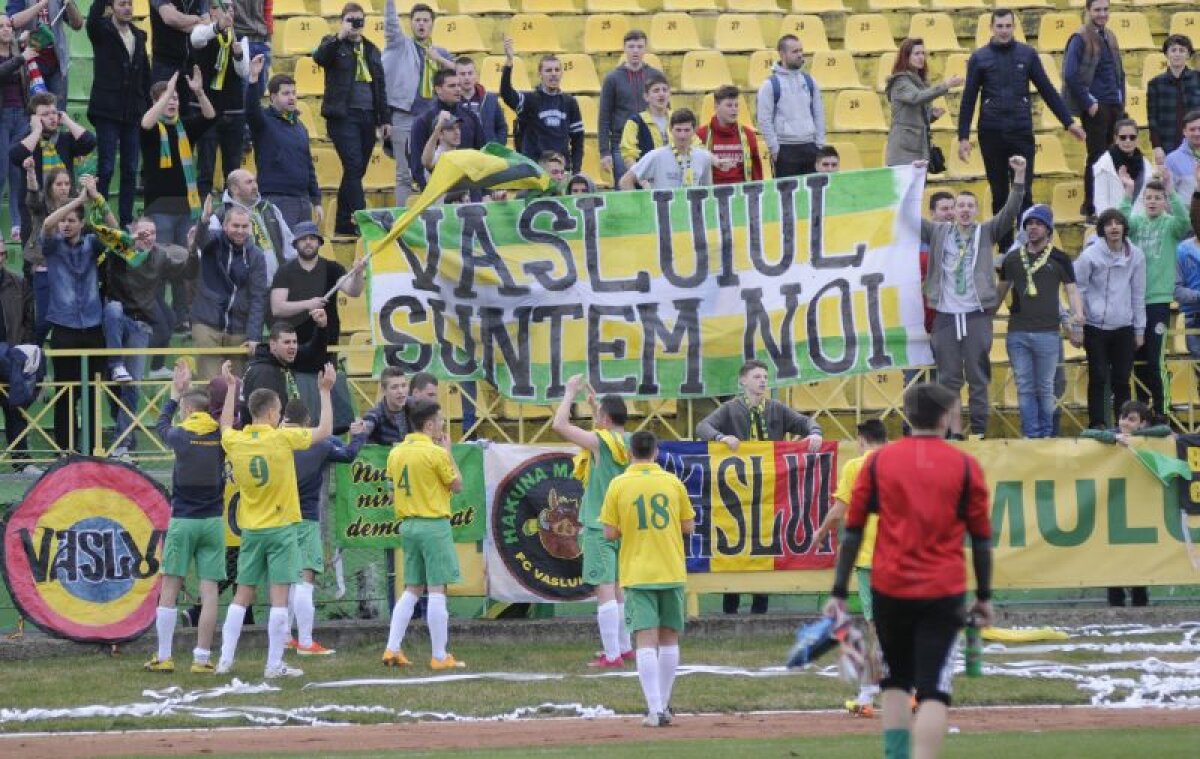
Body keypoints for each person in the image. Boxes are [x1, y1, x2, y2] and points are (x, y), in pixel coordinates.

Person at [826, 382, 993, 759]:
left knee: (896, 684)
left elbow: (852, 532)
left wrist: (838, 590)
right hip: (943, 589)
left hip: (891, 585)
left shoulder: (880, 462)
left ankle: (896, 755)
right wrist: (983, 597)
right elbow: (981, 540)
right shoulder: (965, 465)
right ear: (946, 417)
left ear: (907, 415)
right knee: (934, 691)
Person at [216, 360, 336, 677]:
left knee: (242, 595)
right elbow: (324, 431)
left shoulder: (236, 441)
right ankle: (273, 665)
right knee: (279, 599)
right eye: (279, 411)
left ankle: (225, 660)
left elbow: (225, 426)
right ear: (271, 414)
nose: (281, 416)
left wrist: (231, 389)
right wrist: (325, 392)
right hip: (282, 529)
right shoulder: (282, 438)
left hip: (251, 529)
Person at [696, 359, 822, 615]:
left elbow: (806, 422)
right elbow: (702, 427)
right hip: (736, 490)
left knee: (766, 543)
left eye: (765, 376)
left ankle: (760, 609)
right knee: (735, 543)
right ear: (743, 381)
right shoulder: (730, 409)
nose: (763, 381)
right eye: (757, 377)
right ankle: (729, 609)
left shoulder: (776, 408)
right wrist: (721, 437)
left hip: (768, 490)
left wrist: (816, 432)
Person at [958, 8, 1084, 248]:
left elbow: (1047, 90)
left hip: (1021, 131)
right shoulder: (979, 57)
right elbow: (968, 98)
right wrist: (963, 136)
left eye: (1008, 26)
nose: (1004, 31)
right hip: (991, 132)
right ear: (991, 28)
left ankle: (1027, 245)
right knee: (999, 193)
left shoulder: (1027, 54)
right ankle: (1005, 249)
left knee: (1024, 191)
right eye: (1000, 26)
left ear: (1014, 27)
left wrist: (1068, 122)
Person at [921, 155, 1027, 438]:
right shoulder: (938, 232)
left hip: (976, 314)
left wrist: (1018, 176)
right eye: (960, 206)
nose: (965, 210)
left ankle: (979, 431)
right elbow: (907, 216)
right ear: (953, 211)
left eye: (970, 206)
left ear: (977, 210)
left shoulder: (985, 232)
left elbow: (1010, 211)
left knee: (978, 377)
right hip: (945, 315)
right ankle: (954, 433)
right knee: (948, 379)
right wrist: (915, 179)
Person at [599, 430, 694, 728]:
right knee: (669, 638)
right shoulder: (672, 482)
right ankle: (662, 704)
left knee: (645, 639)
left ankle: (654, 708)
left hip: (638, 572)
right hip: (671, 569)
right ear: (656, 452)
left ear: (630, 453)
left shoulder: (618, 484)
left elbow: (609, 532)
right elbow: (688, 526)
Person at [144, 359, 231, 674]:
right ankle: (202, 658)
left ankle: (164, 656)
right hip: (212, 523)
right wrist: (229, 386)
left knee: (169, 587)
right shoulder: (220, 437)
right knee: (209, 593)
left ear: (188, 412)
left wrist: (173, 392)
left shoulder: (180, 436)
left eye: (182, 410)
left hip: (182, 520)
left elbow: (160, 423)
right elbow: (229, 422)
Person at [552, 373, 633, 668]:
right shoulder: (631, 440)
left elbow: (559, 425)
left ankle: (612, 655)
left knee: (604, 589)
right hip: (624, 525)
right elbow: (609, 434)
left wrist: (569, 392)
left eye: (599, 415)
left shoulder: (601, 441)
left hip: (600, 524)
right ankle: (624, 648)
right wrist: (595, 406)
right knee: (621, 589)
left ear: (607, 419)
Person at [812, 419, 888, 717]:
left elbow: (839, 509)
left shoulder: (856, 467)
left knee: (878, 630)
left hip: (871, 559)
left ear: (861, 440)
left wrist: (820, 533)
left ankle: (868, 696)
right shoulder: (902, 463)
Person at [382, 398, 465, 670]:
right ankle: (440, 655)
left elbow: (392, 492)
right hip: (432, 524)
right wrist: (449, 452)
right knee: (437, 587)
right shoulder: (436, 453)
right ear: (429, 425)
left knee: (413, 587)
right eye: (440, 420)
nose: (442, 424)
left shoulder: (396, 453)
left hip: (408, 524)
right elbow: (457, 485)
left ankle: (392, 648)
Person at [281, 399, 367, 656]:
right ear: (308, 422)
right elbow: (348, 454)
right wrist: (358, 436)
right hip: (306, 518)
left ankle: (285, 636)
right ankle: (306, 641)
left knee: (286, 580)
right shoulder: (318, 444)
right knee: (305, 580)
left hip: (277, 518)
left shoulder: (274, 439)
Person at [104, 215, 191, 455]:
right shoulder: (123, 248)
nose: (148, 237)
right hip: (115, 323)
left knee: (131, 387)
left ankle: (123, 443)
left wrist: (193, 248)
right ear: (133, 232)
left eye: (152, 233)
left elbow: (184, 272)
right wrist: (129, 238)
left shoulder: (160, 255)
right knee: (113, 309)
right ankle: (116, 363)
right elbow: (109, 243)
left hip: (140, 325)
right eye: (143, 232)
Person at [997, 205, 1083, 439]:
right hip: (1017, 333)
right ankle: (1030, 435)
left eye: (1039, 224)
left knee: (1045, 388)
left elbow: (1072, 291)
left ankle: (1046, 434)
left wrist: (1077, 319)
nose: (1033, 228)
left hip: (1048, 333)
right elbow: (1000, 292)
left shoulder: (1060, 258)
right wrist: (985, 319)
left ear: (1048, 228)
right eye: (1029, 224)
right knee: (1024, 388)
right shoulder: (1013, 259)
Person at [270, 220, 363, 430]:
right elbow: (277, 307)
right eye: (304, 239)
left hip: (326, 345)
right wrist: (308, 304)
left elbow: (354, 291)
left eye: (312, 238)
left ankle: (330, 434)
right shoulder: (285, 271)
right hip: (295, 347)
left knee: (326, 396)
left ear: (319, 242)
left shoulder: (333, 268)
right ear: (295, 244)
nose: (308, 243)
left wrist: (357, 273)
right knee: (299, 400)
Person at [1081, 399, 1170, 607]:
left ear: (1143, 423)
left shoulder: (1148, 434)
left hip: (1139, 504)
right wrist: (1113, 438)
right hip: (1112, 504)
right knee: (1113, 555)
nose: (1125, 423)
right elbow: (1086, 434)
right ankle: (1116, 603)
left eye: (1132, 419)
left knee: (1137, 554)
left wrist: (1135, 437)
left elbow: (1165, 429)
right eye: (1123, 418)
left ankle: (1141, 602)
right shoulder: (1114, 433)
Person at [1119, 169, 1192, 418]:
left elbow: (1186, 222)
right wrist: (1128, 193)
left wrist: (1170, 189)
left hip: (1158, 302)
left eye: (1157, 198)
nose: (1152, 201)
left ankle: (1162, 410)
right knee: (1137, 360)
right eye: (1148, 197)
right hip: (1133, 302)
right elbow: (1120, 225)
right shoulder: (1137, 224)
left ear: (1164, 202)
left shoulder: (1170, 225)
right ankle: (1140, 414)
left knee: (1154, 358)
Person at [313, 2, 387, 237]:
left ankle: (343, 222)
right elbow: (319, 58)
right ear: (342, 21)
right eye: (351, 20)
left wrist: (385, 119)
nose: (356, 25)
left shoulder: (372, 49)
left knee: (356, 170)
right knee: (354, 165)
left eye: (359, 20)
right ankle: (361, 219)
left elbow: (380, 87)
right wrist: (340, 35)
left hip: (368, 116)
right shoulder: (333, 44)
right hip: (343, 116)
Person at [40, 188, 103, 451]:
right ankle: (65, 450)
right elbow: (46, 224)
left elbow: (118, 236)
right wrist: (78, 200)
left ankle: (91, 448)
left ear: (82, 224)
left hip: (93, 327)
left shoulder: (92, 244)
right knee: (66, 392)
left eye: (72, 220)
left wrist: (98, 199)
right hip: (63, 327)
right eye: (63, 220)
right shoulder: (52, 245)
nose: (65, 225)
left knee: (92, 392)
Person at [1075, 207, 1146, 429]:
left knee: (1122, 380)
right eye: (1108, 223)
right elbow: (1079, 289)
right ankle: (1097, 424)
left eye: (1118, 223)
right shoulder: (1089, 256)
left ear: (1124, 227)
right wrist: (1079, 322)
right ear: (1102, 230)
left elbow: (1138, 293)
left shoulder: (1136, 255)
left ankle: (1124, 424)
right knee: (1097, 377)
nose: (1114, 227)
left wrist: (1139, 329)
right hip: (1095, 327)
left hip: (1124, 326)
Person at [86, 0, 150, 228]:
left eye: (130, 4)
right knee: (106, 167)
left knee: (131, 169)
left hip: (133, 112)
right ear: (112, 7)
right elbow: (92, 18)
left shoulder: (140, 36)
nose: (128, 8)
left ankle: (125, 221)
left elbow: (145, 75)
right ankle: (98, 219)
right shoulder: (101, 30)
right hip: (107, 110)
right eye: (122, 4)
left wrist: (148, 107)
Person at [382, 0, 452, 206]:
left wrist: (439, 59)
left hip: (432, 120)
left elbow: (462, 72)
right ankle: (402, 222)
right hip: (404, 116)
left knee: (434, 170)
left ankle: (433, 217)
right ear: (410, 24)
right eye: (417, 20)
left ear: (432, 24)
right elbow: (391, 27)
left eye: (426, 20)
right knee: (404, 174)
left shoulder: (441, 52)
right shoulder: (401, 45)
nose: (422, 24)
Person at [190, 199, 268, 380]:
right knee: (213, 382)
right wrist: (204, 219)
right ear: (225, 226)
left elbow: (258, 297)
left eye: (244, 226)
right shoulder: (213, 243)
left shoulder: (256, 255)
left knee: (237, 384)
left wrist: (254, 335)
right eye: (235, 226)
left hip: (239, 326)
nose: (240, 231)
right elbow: (201, 239)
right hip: (206, 322)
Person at [1064, 0, 1126, 221]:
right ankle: (1091, 207)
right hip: (1096, 108)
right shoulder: (1079, 37)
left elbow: (1120, 72)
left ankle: (1110, 205)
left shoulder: (1110, 35)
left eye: (1106, 9)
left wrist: (1121, 101)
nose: (1102, 14)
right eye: (1097, 10)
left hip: (1114, 106)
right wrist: (1089, 102)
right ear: (1088, 11)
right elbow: (1070, 74)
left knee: (1114, 156)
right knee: (1097, 158)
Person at [140, 68, 215, 250]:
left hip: (186, 206)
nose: (172, 102)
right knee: (162, 258)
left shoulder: (185, 127)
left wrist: (199, 92)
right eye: (167, 98)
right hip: (159, 206)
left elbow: (210, 116)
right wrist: (167, 93)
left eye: (175, 98)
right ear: (155, 103)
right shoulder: (152, 128)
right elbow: (145, 124)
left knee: (185, 259)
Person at [245, 56, 321, 230]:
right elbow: (251, 110)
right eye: (286, 93)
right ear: (272, 97)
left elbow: (308, 165)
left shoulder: (300, 126)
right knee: (280, 254)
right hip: (275, 198)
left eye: (294, 93)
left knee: (300, 252)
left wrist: (316, 200)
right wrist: (253, 80)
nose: (292, 97)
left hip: (302, 200)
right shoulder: (263, 121)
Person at [10, 91, 95, 241]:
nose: (52, 117)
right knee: (33, 260)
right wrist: (37, 130)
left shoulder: (64, 140)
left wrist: (67, 121)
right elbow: (16, 156)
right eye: (45, 114)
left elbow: (89, 142)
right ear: (33, 118)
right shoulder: (27, 139)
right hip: (35, 210)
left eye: (54, 112)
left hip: (65, 207)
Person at [500, 36, 584, 173]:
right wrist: (509, 62)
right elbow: (506, 94)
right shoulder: (530, 100)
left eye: (557, 70)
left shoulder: (570, 102)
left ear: (562, 73)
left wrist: (575, 170)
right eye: (548, 70)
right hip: (536, 170)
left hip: (561, 171)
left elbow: (578, 140)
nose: (553, 74)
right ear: (540, 74)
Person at [189, 3, 247, 199]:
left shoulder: (239, 36)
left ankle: (233, 212)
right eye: (223, 8)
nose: (229, 12)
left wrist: (238, 55)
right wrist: (217, 27)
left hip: (233, 109)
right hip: (207, 108)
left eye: (231, 9)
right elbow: (196, 40)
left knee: (233, 169)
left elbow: (243, 72)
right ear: (213, 12)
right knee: (205, 167)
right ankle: (203, 217)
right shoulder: (203, 30)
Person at [885, 37, 963, 167]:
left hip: (918, 147)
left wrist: (932, 116)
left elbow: (914, 113)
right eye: (916, 54)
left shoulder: (918, 81)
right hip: (903, 151)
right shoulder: (900, 81)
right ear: (906, 57)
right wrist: (946, 85)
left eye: (923, 53)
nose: (921, 57)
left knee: (919, 186)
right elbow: (916, 98)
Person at [598, 29, 662, 182]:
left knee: (654, 191)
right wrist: (604, 152)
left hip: (651, 141)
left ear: (645, 49)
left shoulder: (655, 76)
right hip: (621, 144)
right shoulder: (612, 78)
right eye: (631, 46)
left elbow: (665, 109)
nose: (635, 51)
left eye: (639, 47)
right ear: (624, 48)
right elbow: (604, 117)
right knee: (625, 192)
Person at [755, 34, 824, 178]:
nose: (800, 55)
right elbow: (764, 120)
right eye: (795, 51)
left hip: (810, 147)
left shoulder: (810, 81)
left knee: (811, 197)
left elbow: (819, 114)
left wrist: (819, 145)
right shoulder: (769, 85)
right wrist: (775, 150)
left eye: (801, 50)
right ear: (782, 54)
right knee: (786, 198)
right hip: (785, 149)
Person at [213, 167, 294, 282]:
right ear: (235, 189)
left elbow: (289, 247)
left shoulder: (270, 209)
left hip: (276, 287)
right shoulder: (219, 216)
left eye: (255, 181)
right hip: (242, 291)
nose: (255, 186)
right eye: (249, 182)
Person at [409, 68, 484, 191]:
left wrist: (486, 191)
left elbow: (481, 155)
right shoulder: (423, 121)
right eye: (452, 86)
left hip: (471, 191)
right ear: (438, 89)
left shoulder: (471, 117)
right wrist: (431, 192)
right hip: (439, 192)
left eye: (459, 85)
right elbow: (418, 166)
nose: (458, 89)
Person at [240, 320, 328, 423]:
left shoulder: (279, 361)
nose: (292, 346)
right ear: (273, 345)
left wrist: (321, 327)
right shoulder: (265, 373)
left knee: (330, 439)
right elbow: (266, 421)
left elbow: (313, 354)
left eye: (294, 342)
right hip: (269, 436)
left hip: (284, 431)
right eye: (287, 342)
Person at [19, 159, 68, 344]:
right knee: (44, 321)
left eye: (67, 184)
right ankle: (31, 353)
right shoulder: (43, 204)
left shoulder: (74, 205)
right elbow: (32, 197)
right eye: (59, 184)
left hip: (67, 270)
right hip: (43, 269)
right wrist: (31, 172)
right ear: (50, 186)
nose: (64, 188)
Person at [0, 241, 36, 474]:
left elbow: (29, 321)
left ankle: (21, 462)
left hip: (10, 355)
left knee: (16, 405)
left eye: (2, 252)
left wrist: (22, 347)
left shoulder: (18, 282)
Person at [7, 0, 83, 107]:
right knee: (34, 111)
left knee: (57, 112)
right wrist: (41, 4)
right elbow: (12, 22)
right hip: (30, 63)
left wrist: (70, 4)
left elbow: (77, 25)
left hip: (57, 63)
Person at [619, 108, 712, 191]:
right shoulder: (656, 156)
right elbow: (625, 182)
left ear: (694, 130)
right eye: (678, 130)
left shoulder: (703, 157)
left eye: (687, 130)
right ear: (671, 129)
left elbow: (709, 190)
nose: (682, 135)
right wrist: (640, 208)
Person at [1147, 35, 1200, 164]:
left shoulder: (1198, 78)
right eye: (1173, 50)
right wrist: (1157, 147)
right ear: (1166, 54)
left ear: (1188, 55)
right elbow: (1152, 119)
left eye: (1182, 50)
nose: (1177, 54)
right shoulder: (1155, 83)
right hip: (1167, 142)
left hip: (1196, 140)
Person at [0, 17, 30, 241]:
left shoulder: (18, 52)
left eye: (8, 25)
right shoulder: (18, 57)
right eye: (0, 26)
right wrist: (21, 58)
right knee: (1, 172)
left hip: (21, 114)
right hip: (2, 117)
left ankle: (17, 224)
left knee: (16, 171)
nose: (6, 29)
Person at [696, 84, 763, 185]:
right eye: (729, 105)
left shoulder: (748, 135)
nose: (734, 109)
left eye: (736, 105)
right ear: (716, 106)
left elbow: (756, 172)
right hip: (712, 194)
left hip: (741, 194)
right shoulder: (701, 135)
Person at [1093, 119, 1155, 216]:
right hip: (1114, 224)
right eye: (1123, 137)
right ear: (1116, 138)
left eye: (1132, 137)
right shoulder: (1104, 165)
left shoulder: (1146, 165)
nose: (1128, 141)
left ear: (1137, 139)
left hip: (1140, 225)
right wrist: (1110, 225)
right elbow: (1100, 201)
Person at [148, 0, 206, 103]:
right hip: (165, 63)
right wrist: (196, 19)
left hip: (192, 64)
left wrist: (179, 20)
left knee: (189, 113)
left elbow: (207, 22)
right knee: (162, 109)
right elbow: (170, 18)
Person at [618, 74, 671, 172]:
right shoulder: (635, 122)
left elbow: (695, 146)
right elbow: (629, 155)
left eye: (665, 90)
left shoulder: (678, 119)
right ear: (646, 96)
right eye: (656, 90)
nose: (661, 94)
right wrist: (641, 179)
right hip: (646, 179)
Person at [455, 56, 506, 146]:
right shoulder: (451, 102)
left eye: (470, 73)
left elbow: (501, 127)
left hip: (488, 155)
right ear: (455, 76)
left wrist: (498, 148)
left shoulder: (490, 99)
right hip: (462, 156)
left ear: (476, 75)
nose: (467, 77)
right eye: (462, 74)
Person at [231, 0, 271, 102]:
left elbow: (268, 8)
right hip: (240, 38)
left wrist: (269, 35)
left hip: (261, 39)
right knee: (246, 86)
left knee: (261, 86)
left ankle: (253, 113)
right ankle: (247, 115)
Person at [362, 366, 409, 444]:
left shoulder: (414, 407)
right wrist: (359, 431)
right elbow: (362, 434)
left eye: (403, 386)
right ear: (383, 390)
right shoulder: (375, 414)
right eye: (394, 387)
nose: (400, 391)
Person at [1164, 110, 1200, 200]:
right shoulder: (1172, 160)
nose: (1197, 133)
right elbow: (1168, 196)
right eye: (1192, 129)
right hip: (1185, 213)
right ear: (1184, 131)